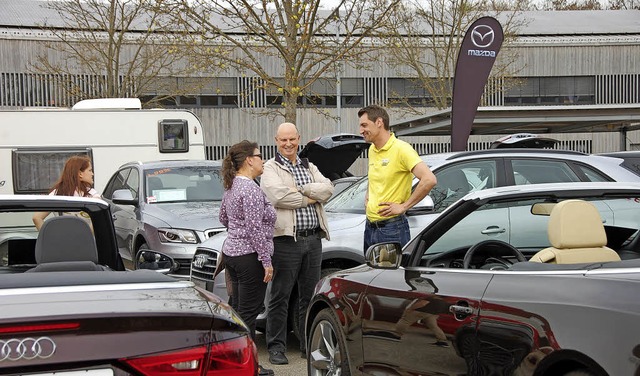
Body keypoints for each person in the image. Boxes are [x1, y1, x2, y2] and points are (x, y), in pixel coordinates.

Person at [260, 122, 334, 365]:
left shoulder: (308, 165)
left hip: (313, 239)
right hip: (285, 241)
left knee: (309, 297)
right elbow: (277, 196)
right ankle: (276, 348)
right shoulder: (270, 168)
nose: (288, 144)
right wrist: (310, 197)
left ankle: (306, 344)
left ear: (298, 139)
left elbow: (328, 189)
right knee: (280, 296)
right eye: (283, 140)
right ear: (276, 141)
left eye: (292, 139)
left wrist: (301, 189)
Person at [219, 140, 276, 376]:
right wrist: (266, 261)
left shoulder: (233, 187)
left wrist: (236, 230)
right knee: (248, 315)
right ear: (249, 160)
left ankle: (233, 361)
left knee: (238, 312)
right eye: (260, 155)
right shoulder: (250, 189)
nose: (263, 160)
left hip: (232, 254)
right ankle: (249, 365)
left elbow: (223, 217)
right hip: (249, 257)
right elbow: (255, 230)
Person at [358, 105, 437, 253]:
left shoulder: (402, 149)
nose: (361, 131)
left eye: (364, 125)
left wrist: (404, 206)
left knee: (391, 276)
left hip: (392, 229)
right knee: (372, 275)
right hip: (370, 227)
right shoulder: (372, 149)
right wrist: (369, 193)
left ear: (379, 122)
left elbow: (429, 179)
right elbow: (375, 176)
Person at [32, 155, 101, 230]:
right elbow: (97, 220)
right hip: (86, 240)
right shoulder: (92, 195)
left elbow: (36, 218)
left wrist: (50, 238)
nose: (92, 174)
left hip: (63, 240)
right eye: (90, 170)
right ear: (80, 174)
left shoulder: (57, 193)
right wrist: (85, 238)